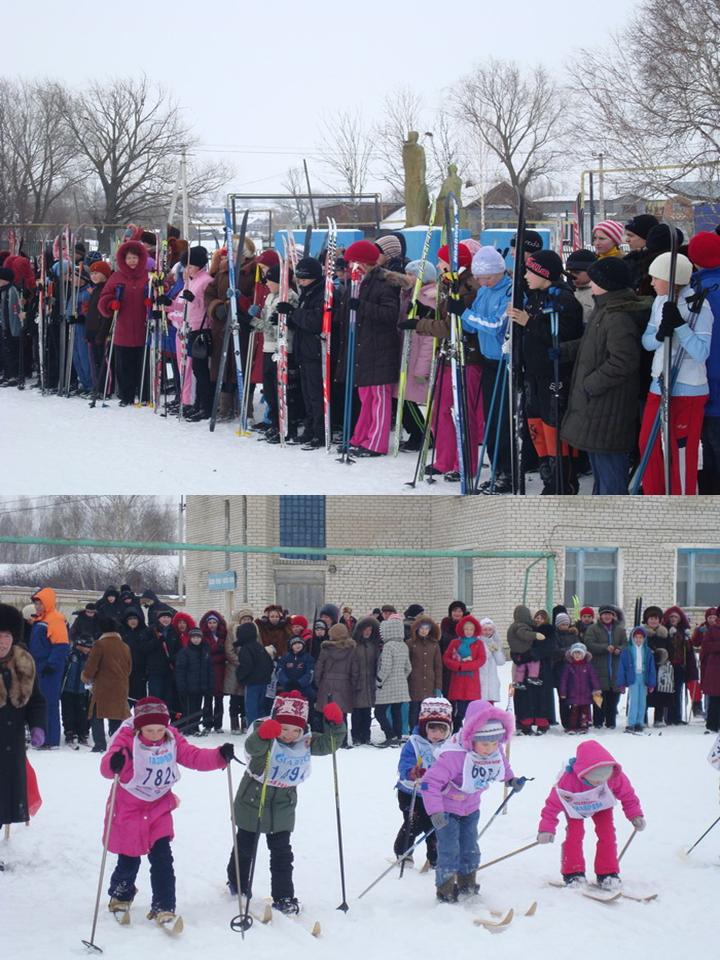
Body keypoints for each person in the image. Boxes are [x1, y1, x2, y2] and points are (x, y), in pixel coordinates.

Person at [101, 696, 230, 927]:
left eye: (160, 729)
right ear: (139, 727)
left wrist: (219, 756)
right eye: (149, 730)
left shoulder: (170, 738)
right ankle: (121, 893)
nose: (155, 734)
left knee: (162, 858)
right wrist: (116, 762)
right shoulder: (127, 740)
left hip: (159, 807)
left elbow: (193, 755)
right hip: (129, 808)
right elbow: (107, 766)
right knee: (129, 858)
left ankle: (164, 905)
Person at [226, 691, 345, 914]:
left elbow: (330, 744)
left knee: (282, 853)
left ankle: (284, 896)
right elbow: (253, 750)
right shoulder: (264, 734)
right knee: (245, 847)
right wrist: (264, 735)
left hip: (283, 805)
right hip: (253, 800)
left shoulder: (305, 741)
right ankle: (237, 881)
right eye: (284, 729)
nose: (290, 735)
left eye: (296, 730)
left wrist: (336, 724)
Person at [561, 257, 651, 495]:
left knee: (610, 473)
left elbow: (624, 361)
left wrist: (591, 384)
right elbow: (593, 344)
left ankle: (614, 522)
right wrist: (565, 350)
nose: (590, 283)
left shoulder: (617, 316)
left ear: (607, 284)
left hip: (608, 407)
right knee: (600, 470)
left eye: (595, 280)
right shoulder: (605, 309)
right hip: (598, 408)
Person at [421, 700, 522, 903]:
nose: (491, 748)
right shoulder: (454, 756)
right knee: (449, 850)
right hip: (447, 810)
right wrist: (435, 811)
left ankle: (467, 884)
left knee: (470, 848)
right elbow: (428, 784)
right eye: (485, 743)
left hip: (471, 809)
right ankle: (446, 889)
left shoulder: (493, 751)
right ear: (471, 737)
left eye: (496, 743)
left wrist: (511, 780)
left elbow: (501, 764)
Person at [508, 250, 585, 494]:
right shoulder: (534, 296)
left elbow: (564, 335)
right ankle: (548, 478)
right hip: (532, 374)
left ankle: (563, 482)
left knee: (554, 431)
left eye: (531, 271)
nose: (526, 276)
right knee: (535, 429)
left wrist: (529, 322)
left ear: (543, 274)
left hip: (554, 376)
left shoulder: (564, 299)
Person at [638, 252, 713, 494]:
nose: (651, 283)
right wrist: (660, 334)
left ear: (672, 281)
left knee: (680, 450)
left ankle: (682, 502)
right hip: (658, 385)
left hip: (688, 389)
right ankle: (655, 498)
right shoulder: (660, 302)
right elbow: (647, 343)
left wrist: (680, 326)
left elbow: (701, 353)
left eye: (656, 278)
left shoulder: (699, 306)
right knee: (647, 446)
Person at [536, 739, 645, 890]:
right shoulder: (568, 781)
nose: (600, 782)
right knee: (575, 834)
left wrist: (635, 815)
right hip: (576, 807)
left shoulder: (613, 776)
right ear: (583, 774)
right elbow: (552, 806)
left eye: (603, 780)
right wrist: (546, 829)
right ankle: (573, 872)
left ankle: (607, 873)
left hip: (602, 805)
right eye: (595, 780)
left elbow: (628, 795)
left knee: (607, 833)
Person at [341, 240, 401, 457]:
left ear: (364, 264)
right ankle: (360, 436)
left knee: (378, 399)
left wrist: (362, 306)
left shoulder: (383, 284)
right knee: (365, 398)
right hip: (364, 349)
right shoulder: (358, 283)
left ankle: (376, 442)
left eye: (353, 263)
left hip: (380, 351)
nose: (350, 268)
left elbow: (389, 315)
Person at [460, 247, 512, 493]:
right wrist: (460, 313)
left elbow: (495, 326)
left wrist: (466, 314)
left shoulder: (510, 292)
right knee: (490, 422)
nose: (482, 282)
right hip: (486, 360)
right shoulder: (483, 291)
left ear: (499, 271)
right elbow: (471, 328)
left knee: (501, 420)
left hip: (505, 362)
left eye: (487, 277)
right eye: (479, 277)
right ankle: (496, 468)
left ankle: (507, 471)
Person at [0, 604, 46, 835]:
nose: (2, 641)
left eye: (6, 636)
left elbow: (37, 700)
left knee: (3, 801)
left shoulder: (24, 663)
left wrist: (37, 725)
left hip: (11, 745)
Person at [394, 696, 453, 870]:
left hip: (436, 795)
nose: (437, 734)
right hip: (412, 792)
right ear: (424, 727)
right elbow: (404, 762)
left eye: (442, 730)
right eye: (432, 729)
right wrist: (412, 771)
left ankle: (436, 858)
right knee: (414, 823)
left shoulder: (450, 746)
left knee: (435, 825)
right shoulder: (415, 743)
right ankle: (403, 852)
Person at [97, 240, 151, 405]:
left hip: (144, 328)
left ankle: (144, 393)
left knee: (143, 363)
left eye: (135, 258)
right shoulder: (116, 276)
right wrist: (111, 304)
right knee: (124, 364)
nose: (132, 261)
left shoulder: (148, 274)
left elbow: (161, 291)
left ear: (141, 258)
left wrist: (152, 302)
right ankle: (126, 395)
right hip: (123, 328)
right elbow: (104, 297)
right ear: (123, 260)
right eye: (129, 258)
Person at [687, 231, 720, 493]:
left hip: (708, 379)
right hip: (709, 378)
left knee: (709, 449)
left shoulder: (703, 292)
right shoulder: (702, 287)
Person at [27, 588, 69, 748]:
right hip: (39, 667)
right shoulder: (41, 620)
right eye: (36, 603)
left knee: (48, 704)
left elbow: (62, 646)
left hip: (48, 669)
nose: (37, 606)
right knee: (39, 703)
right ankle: (42, 737)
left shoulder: (55, 619)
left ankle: (51, 739)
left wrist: (51, 665)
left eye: (40, 603)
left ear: (48, 603)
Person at [81, 624, 132, 752]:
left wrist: (85, 677)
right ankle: (116, 743)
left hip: (103, 687)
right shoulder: (125, 646)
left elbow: (91, 667)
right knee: (116, 715)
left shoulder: (100, 644)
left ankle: (100, 744)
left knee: (96, 715)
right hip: (121, 686)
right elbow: (129, 668)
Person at [506, 605, 555, 735]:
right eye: (536, 617)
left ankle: (542, 723)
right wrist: (518, 655)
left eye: (541, 618)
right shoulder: (527, 630)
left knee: (542, 698)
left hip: (542, 670)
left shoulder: (549, 631)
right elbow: (517, 646)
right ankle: (524, 724)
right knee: (525, 697)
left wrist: (532, 654)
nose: (538, 620)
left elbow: (550, 648)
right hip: (525, 669)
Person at [583, 605, 626, 729]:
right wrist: (604, 647)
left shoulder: (619, 629)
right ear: (600, 615)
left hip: (615, 669)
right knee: (599, 697)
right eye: (604, 614)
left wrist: (619, 649)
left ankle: (611, 722)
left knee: (613, 698)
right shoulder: (593, 629)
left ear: (613, 616)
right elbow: (589, 644)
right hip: (598, 668)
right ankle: (598, 722)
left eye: (609, 614)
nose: (607, 616)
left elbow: (626, 644)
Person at [314, 622, 357, 746]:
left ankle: (330, 740)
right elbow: (355, 670)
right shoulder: (351, 650)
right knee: (341, 713)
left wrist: (318, 683)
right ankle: (342, 740)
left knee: (327, 712)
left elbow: (319, 668)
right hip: (345, 684)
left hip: (326, 684)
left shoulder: (326, 650)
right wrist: (352, 684)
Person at [443, 614, 487, 730]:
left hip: (472, 682)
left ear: (475, 630)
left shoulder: (479, 643)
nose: (468, 631)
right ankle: (456, 729)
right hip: (458, 682)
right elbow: (446, 659)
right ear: (462, 629)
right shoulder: (455, 643)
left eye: (471, 629)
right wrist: (458, 666)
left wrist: (465, 666)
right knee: (459, 710)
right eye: (466, 629)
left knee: (472, 708)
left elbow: (481, 660)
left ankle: (471, 730)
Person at [375, 614, 412, 747]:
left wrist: (379, 681)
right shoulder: (404, 645)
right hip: (401, 686)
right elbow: (409, 668)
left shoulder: (388, 646)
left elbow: (385, 667)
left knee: (379, 712)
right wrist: (401, 678)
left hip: (387, 686)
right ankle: (398, 735)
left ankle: (390, 735)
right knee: (396, 711)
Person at [234, 621, 274, 728]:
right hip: (264, 682)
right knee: (260, 707)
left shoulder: (245, 649)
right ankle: (263, 728)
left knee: (251, 708)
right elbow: (270, 664)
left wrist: (240, 676)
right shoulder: (259, 647)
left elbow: (246, 666)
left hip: (252, 683)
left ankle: (253, 729)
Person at [617, 626, 657, 733]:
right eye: (636, 637)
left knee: (642, 701)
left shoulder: (647, 651)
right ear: (632, 638)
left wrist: (652, 683)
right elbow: (622, 667)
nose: (638, 640)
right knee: (634, 701)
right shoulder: (627, 650)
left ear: (644, 639)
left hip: (643, 678)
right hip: (633, 677)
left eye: (641, 638)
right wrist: (621, 682)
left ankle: (640, 722)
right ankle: (631, 723)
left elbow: (651, 667)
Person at [662, 605, 698, 724]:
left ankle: (677, 717)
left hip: (680, 666)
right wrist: (669, 636)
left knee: (678, 692)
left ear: (680, 618)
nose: (673, 619)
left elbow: (688, 651)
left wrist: (688, 640)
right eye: (671, 616)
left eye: (675, 617)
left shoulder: (684, 632)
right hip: (667, 666)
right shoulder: (664, 630)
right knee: (668, 691)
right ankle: (668, 717)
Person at [174, 628, 213, 736]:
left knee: (197, 709)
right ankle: (188, 728)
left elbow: (209, 670)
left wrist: (209, 685)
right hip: (188, 687)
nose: (196, 640)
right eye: (193, 637)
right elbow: (180, 671)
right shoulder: (185, 652)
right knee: (188, 709)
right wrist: (182, 685)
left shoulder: (205, 652)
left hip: (200, 687)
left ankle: (195, 727)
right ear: (190, 639)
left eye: (198, 637)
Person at [407, 614, 443, 728]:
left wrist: (438, 686)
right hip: (414, 683)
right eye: (421, 628)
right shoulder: (410, 643)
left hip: (429, 683)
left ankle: (425, 730)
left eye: (426, 629)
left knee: (427, 710)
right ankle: (413, 729)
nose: (424, 631)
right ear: (417, 629)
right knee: (414, 709)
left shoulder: (434, 644)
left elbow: (438, 666)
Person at [351, 616, 381, 745]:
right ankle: (356, 736)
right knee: (356, 711)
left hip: (369, 682)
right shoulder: (354, 645)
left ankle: (366, 735)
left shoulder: (373, 645)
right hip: (357, 682)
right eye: (365, 629)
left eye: (370, 629)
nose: (368, 632)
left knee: (367, 712)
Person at [559, 642, 601, 734]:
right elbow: (564, 680)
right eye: (575, 653)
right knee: (574, 711)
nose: (577, 655)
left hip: (585, 694)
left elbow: (593, 678)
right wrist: (563, 692)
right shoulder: (569, 666)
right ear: (572, 654)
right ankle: (573, 726)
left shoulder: (588, 666)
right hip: (573, 693)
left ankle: (583, 725)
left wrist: (596, 689)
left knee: (584, 711)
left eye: (579, 653)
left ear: (584, 654)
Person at [226, 608, 253, 734]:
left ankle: (244, 722)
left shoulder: (254, 632)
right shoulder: (232, 632)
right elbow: (229, 650)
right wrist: (240, 662)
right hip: (234, 669)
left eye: (249, 619)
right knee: (234, 697)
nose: (246, 621)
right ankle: (234, 723)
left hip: (248, 669)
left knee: (245, 697)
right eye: (244, 619)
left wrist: (249, 663)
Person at [200, 611, 227, 733]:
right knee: (207, 699)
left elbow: (225, 653)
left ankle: (218, 724)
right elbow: (205, 653)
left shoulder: (223, 636)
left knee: (219, 699)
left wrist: (214, 653)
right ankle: (207, 724)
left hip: (221, 671)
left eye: (214, 622)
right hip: (207, 671)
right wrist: (217, 651)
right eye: (210, 622)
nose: (212, 625)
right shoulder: (203, 636)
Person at [119, 609, 148, 707]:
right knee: (124, 700)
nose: (133, 621)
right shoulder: (121, 633)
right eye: (130, 618)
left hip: (140, 671)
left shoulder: (145, 632)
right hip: (124, 671)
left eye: (135, 618)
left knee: (139, 701)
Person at [699, 608, 720, 733]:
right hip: (715, 669)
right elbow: (706, 646)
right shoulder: (712, 630)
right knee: (715, 698)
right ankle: (712, 725)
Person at [276, 634, 314, 698]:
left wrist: (299, 683)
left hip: (304, 689)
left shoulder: (308, 658)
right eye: (295, 644)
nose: (297, 645)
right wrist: (286, 682)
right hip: (287, 688)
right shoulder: (285, 657)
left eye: (299, 643)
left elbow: (310, 673)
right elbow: (280, 671)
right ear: (291, 646)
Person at [565, 249, 597, 325]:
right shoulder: (566, 291)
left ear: (591, 271)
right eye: (570, 272)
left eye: (577, 272)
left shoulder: (599, 294)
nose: (572, 276)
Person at [478, 618, 505, 704]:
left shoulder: (495, 642)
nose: (487, 632)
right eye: (485, 629)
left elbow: (500, 661)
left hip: (492, 678)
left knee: (490, 704)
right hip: (480, 676)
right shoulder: (478, 642)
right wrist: (488, 650)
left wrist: (496, 650)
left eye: (490, 629)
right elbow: (482, 659)